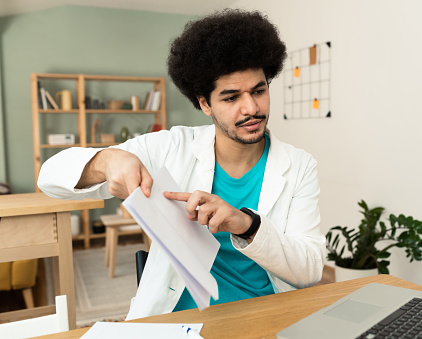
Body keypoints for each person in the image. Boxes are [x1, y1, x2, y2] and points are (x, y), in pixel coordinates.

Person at [38, 9, 325, 319]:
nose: (251, 108)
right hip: (177, 320)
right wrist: (107, 160)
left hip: (262, 317)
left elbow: (309, 269)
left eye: (259, 91)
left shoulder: (298, 166)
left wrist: (245, 225)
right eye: (231, 98)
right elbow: (50, 179)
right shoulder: (170, 147)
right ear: (205, 104)